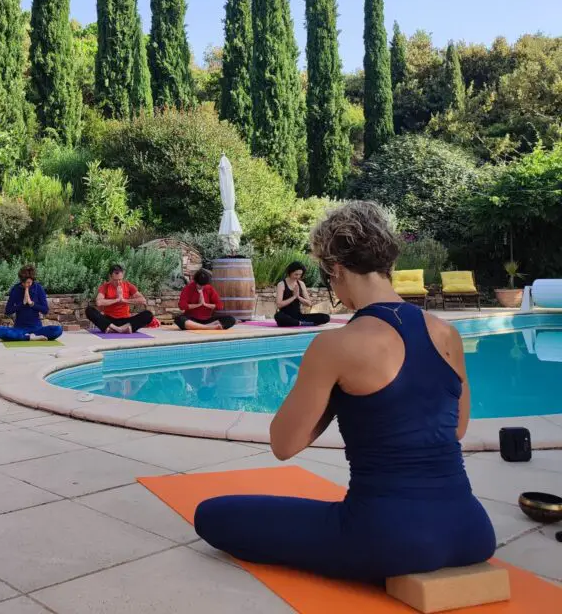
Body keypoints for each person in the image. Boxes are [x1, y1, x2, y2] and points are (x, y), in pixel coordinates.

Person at [194, 201, 495, 581]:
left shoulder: (337, 345)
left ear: (336, 268)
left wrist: (337, 396)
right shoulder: (446, 333)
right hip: (472, 530)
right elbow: (457, 430)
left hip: (387, 538)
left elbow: (284, 444)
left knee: (212, 514)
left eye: (327, 275)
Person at [0, 265, 64, 342]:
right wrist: (22, 304)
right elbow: (8, 311)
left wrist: (32, 304)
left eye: (29, 282)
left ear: (32, 280)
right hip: (20, 329)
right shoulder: (15, 289)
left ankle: (28, 337)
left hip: (37, 329)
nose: (26, 285)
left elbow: (45, 310)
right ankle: (29, 338)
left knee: (58, 329)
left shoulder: (38, 288)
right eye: (24, 282)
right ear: (21, 280)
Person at [84, 264, 154, 334]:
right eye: (115, 280)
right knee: (89, 310)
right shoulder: (105, 286)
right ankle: (118, 329)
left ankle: (117, 329)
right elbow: (99, 302)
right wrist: (117, 299)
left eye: (120, 279)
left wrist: (124, 300)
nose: (118, 282)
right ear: (110, 277)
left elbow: (143, 300)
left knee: (148, 315)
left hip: (125, 321)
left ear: (123, 276)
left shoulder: (128, 285)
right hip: (109, 320)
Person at [274, 262, 331, 328]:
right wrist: (294, 297)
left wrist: (298, 297)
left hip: (299, 316)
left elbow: (309, 303)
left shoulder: (301, 284)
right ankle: (301, 323)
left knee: (325, 317)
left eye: (300, 274)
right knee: (278, 316)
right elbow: (279, 305)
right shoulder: (281, 284)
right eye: (296, 274)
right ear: (290, 272)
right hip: (285, 316)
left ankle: (299, 323)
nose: (298, 276)